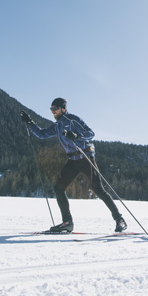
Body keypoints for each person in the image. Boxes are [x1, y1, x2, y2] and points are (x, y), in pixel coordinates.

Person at [19, 98, 127, 234]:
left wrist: (76, 135)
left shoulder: (73, 120)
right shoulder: (58, 125)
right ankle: (67, 223)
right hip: (73, 161)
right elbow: (42, 134)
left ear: (63, 108)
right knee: (58, 188)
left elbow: (90, 133)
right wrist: (30, 123)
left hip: (85, 157)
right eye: (51, 109)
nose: (53, 112)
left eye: (55, 109)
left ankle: (119, 220)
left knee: (99, 190)